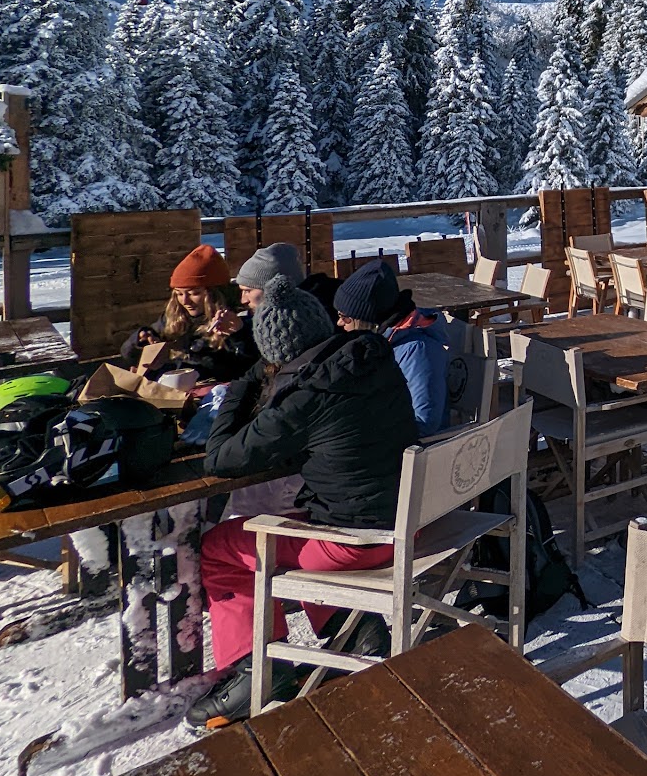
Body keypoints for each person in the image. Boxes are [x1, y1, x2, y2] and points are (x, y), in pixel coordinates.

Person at [187, 275, 417, 728]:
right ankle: (355, 633)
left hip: (359, 543)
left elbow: (220, 458)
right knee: (298, 520)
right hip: (411, 521)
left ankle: (256, 670)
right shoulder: (372, 358)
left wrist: (242, 382)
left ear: (275, 350)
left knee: (221, 547)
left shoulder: (304, 398)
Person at [333, 260, 451, 436]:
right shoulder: (375, 342)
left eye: (345, 317)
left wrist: (359, 429)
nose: (339, 322)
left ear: (368, 318)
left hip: (412, 453)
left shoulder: (418, 352)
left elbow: (425, 422)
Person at [120, 244, 258, 384]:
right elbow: (129, 356)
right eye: (179, 294)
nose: (185, 301)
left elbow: (247, 367)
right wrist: (141, 341)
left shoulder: (238, 318)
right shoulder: (176, 317)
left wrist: (238, 335)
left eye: (194, 293)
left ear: (217, 293)